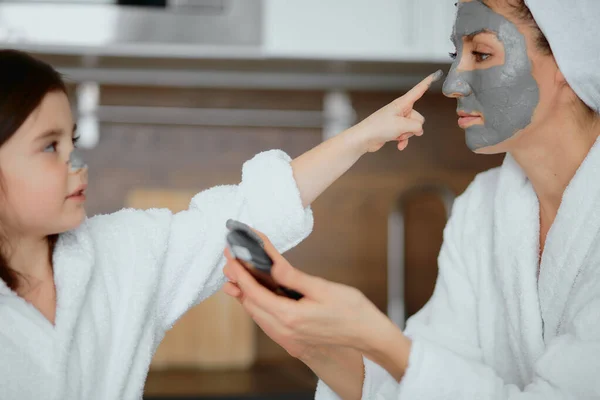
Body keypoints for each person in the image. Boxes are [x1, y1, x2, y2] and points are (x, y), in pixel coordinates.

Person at [0, 49, 441, 399]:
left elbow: (249, 209)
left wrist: (361, 137)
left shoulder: (121, 258)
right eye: (48, 148)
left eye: (71, 142)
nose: (77, 163)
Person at [222, 0, 600, 399]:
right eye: (458, 56)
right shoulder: (483, 210)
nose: (453, 84)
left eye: (483, 53)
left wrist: (377, 336)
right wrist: (314, 345)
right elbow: (427, 378)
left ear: (567, 58)